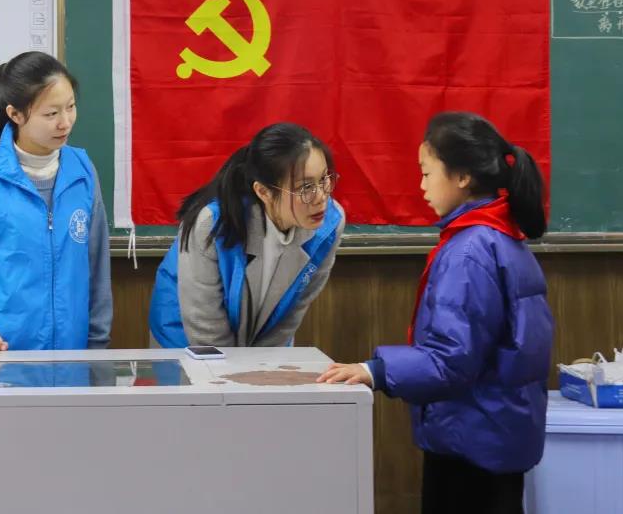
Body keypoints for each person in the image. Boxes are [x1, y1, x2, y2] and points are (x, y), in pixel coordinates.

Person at [319, 111, 553, 514]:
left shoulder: (469, 251)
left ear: (462, 177)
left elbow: (451, 360)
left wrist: (375, 370)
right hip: (497, 434)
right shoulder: (503, 239)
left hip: (469, 444)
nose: (421, 186)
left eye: (427, 173)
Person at [0, 51, 112, 351]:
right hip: (1, 355)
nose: (65, 122)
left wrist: (96, 345)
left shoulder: (82, 171)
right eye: (51, 114)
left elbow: (97, 270)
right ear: (15, 114)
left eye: (70, 107)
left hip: (74, 356)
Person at [150, 123, 345, 348]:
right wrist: (236, 369)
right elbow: (205, 328)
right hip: (184, 334)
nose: (321, 197)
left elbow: (294, 309)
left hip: (257, 337)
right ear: (263, 192)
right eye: (305, 187)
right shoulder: (212, 224)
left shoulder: (330, 224)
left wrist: (266, 364)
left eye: (324, 179)